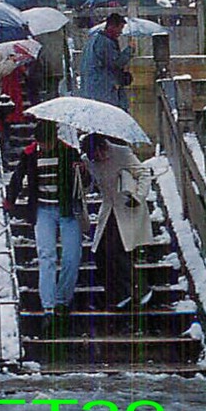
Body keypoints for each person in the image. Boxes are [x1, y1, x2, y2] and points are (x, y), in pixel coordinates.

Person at [4, 120, 86, 334]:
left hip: (68, 209)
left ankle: (62, 299)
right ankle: (48, 307)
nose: (44, 147)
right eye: (41, 143)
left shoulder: (70, 153)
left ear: (55, 139)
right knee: (46, 255)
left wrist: (82, 171)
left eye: (47, 143)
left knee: (72, 256)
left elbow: (85, 183)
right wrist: (10, 199)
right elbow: (18, 176)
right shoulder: (30, 153)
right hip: (43, 210)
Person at [81, 134, 158, 321]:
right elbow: (90, 186)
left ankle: (140, 290)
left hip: (127, 206)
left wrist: (139, 196)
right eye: (94, 155)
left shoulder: (121, 153)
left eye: (99, 152)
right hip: (108, 208)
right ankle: (117, 294)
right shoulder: (87, 161)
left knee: (118, 250)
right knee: (100, 252)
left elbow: (143, 174)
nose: (98, 157)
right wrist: (83, 174)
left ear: (104, 147)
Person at [80, 12, 133, 108]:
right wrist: (129, 50)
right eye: (120, 28)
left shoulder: (95, 39)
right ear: (111, 26)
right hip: (103, 90)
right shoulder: (105, 42)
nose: (120, 32)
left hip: (94, 88)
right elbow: (115, 63)